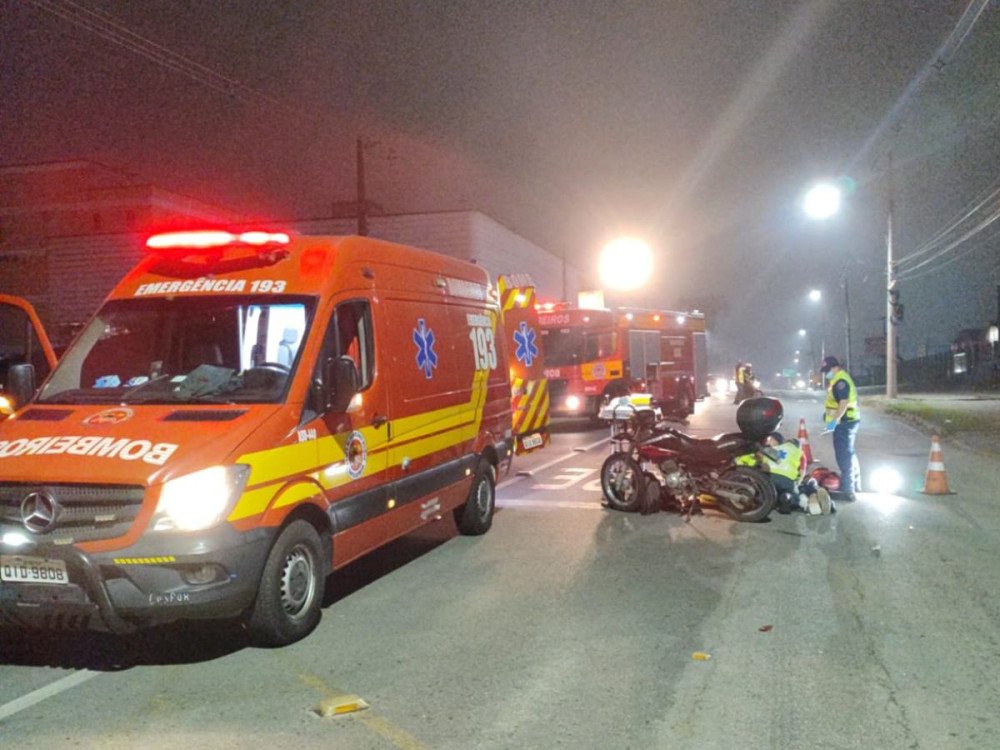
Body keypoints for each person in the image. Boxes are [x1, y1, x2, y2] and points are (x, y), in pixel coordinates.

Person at [821, 355, 860, 501]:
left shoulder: (841, 381)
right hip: (846, 421)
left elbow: (843, 403)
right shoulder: (838, 378)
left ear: (833, 367)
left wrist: (833, 422)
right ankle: (855, 483)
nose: (826, 374)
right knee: (849, 452)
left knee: (844, 454)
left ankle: (848, 489)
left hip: (844, 423)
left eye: (827, 370)